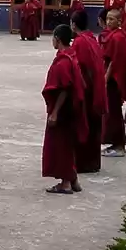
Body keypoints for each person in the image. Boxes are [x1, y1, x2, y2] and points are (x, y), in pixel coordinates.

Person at [42, 25, 87, 195]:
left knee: (61, 145)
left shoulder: (64, 62)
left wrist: (55, 112)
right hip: (69, 109)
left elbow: (65, 88)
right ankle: (73, 178)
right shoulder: (70, 55)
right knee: (66, 143)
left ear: (58, 39)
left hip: (63, 111)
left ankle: (66, 182)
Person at [70, 10, 106, 175]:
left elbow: (80, 69)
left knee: (84, 126)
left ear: (73, 24)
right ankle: (93, 162)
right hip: (97, 87)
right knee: (93, 126)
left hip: (87, 90)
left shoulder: (79, 43)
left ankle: (84, 163)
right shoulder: (92, 39)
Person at [100, 9, 126, 157]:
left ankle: (119, 145)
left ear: (119, 21)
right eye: (107, 19)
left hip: (114, 80)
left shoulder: (118, 38)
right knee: (112, 113)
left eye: (112, 19)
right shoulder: (114, 35)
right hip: (111, 78)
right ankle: (116, 143)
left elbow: (114, 62)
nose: (109, 22)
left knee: (114, 113)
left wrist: (105, 80)